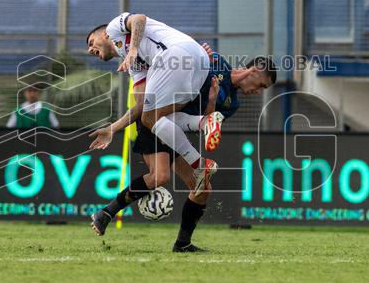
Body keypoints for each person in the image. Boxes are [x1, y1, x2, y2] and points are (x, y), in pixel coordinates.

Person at [91, 53, 278, 251]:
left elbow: (207, 123)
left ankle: (183, 243)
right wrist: (199, 54)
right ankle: (105, 214)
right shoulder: (217, 62)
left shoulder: (232, 104)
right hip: (156, 117)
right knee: (160, 176)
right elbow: (182, 61)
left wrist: (212, 101)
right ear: (254, 71)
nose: (259, 92)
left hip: (176, 131)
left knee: (202, 189)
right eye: (262, 85)